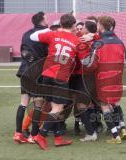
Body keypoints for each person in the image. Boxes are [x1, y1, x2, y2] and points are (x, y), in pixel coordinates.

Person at [30, 13, 82, 150]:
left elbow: (33, 36)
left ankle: (58, 138)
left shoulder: (52, 34)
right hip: (60, 77)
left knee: (55, 107)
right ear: (73, 25)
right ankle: (41, 135)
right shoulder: (76, 40)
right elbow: (85, 61)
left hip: (47, 74)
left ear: (60, 25)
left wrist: (49, 30)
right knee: (58, 108)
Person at [82, 16, 126, 144]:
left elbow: (93, 65)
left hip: (103, 79)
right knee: (115, 104)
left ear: (100, 26)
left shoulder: (98, 43)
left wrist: (85, 65)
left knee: (104, 106)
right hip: (117, 78)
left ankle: (115, 136)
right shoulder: (119, 42)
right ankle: (122, 128)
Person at [13, 11, 49, 144]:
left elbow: (24, 51)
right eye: (46, 18)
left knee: (23, 103)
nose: (48, 20)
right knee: (38, 104)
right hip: (37, 73)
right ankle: (33, 135)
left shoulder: (26, 33)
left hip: (24, 71)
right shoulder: (47, 33)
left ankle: (18, 133)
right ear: (42, 20)